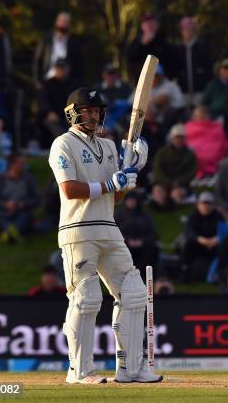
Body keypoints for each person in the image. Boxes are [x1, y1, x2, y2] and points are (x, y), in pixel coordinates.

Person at [48, 87, 161, 384]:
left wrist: (133, 169)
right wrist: (111, 185)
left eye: (97, 110)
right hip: (77, 229)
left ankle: (130, 368)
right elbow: (70, 190)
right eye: (88, 110)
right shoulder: (63, 144)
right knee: (86, 298)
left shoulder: (110, 146)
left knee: (134, 293)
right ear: (74, 112)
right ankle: (79, 370)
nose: (94, 115)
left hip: (109, 228)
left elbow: (116, 197)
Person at [0, 152, 40, 242]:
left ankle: (9, 232)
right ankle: (13, 232)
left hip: (22, 211)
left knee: (25, 215)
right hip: (5, 212)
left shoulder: (29, 179)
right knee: (2, 217)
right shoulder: (0, 179)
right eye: (21, 163)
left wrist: (21, 204)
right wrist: (5, 205)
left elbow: (37, 199)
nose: (23, 165)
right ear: (12, 164)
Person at [114, 190, 160, 280]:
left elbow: (153, 233)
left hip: (143, 244)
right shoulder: (118, 215)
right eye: (128, 200)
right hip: (124, 244)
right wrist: (127, 240)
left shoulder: (145, 216)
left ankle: (145, 276)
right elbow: (114, 232)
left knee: (152, 249)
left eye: (133, 200)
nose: (130, 203)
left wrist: (141, 241)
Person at [151, 124, 197, 210]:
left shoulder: (190, 154)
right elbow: (157, 170)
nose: (179, 139)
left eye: (181, 137)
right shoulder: (162, 152)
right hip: (163, 182)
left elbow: (192, 172)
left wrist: (178, 182)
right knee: (157, 190)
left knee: (177, 194)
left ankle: (171, 208)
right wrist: (168, 182)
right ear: (172, 138)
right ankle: (160, 208)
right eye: (177, 137)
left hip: (181, 184)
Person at [32, 11, 84, 88]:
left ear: (69, 24)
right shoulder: (46, 40)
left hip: (67, 84)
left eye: (65, 22)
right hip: (47, 80)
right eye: (61, 21)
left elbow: (79, 65)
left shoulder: (74, 43)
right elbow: (37, 60)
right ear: (56, 22)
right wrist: (37, 81)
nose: (63, 24)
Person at [181, 191, 221, 282]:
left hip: (215, 244)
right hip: (199, 244)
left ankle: (218, 274)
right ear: (198, 205)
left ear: (213, 205)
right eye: (203, 203)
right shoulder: (193, 217)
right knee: (188, 245)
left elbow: (224, 230)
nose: (206, 206)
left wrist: (216, 239)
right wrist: (200, 239)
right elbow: (188, 231)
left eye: (209, 203)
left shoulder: (218, 216)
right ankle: (185, 273)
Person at [175, 16, 213, 108]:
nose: (187, 31)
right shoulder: (177, 49)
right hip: (183, 92)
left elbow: (209, 69)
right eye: (185, 29)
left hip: (200, 92)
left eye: (189, 29)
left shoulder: (203, 47)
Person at [184, 106, 228, 179]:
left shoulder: (217, 128)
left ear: (208, 116)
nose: (201, 117)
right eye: (198, 116)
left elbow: (223, 144)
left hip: (213, 158)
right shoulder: (188, 127)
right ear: (194, 117)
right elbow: (184, 143)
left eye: (203, 115)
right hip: (194, 158)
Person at [127, 12, 176, 80]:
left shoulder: (165, 41)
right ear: (142, 26)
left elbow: (172, 64)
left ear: (157, 25)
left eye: (152, 22)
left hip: (162, 83)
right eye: (147, 23)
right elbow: (130, 63)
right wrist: (142, 45)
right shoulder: (135, 44)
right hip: (141, 83)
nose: (150, 25)